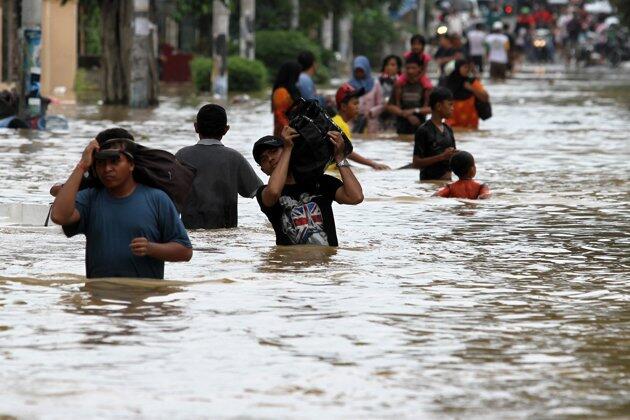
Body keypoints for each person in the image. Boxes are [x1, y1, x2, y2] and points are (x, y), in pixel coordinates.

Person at [50, 137, 193, 279]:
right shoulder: (90, 198)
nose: (107, 169)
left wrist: (152, 248)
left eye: (115, 161)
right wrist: (82, 166)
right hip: (98, 298)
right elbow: (59, 216)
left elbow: (185, 251)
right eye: (101, 163)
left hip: (144, 297)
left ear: (131, 165)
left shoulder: (157, 199)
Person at [253, 127, 364, 246]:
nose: (270, 159)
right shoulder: (263, 193)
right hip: (288, 263)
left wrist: (340, 157)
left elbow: (356, 197)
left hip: (324, 263)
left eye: (273, 151)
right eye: (264, 159)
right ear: (263, 170)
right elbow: (274, 191)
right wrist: (287, 149)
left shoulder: (320, 182)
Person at [175, 104, 262, 229]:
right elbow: (259, 192)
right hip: (226, 234)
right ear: (226, 129)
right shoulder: (234, 158)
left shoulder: (181, 156)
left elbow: (169, 196)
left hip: (189, 233)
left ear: (196, 127)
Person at [332, 83, 390, 170]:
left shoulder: (335, 121)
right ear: (344, 106)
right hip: (332, 170)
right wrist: (373, 164)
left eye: (358, 103)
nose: (358, 107)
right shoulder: (342, 126)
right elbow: (348, 152)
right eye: (355, 104)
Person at [412, 87, 457, 181]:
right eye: (450, 105)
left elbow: (452, 158)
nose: (453, 109)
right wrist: (442, 157)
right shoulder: (423, 130)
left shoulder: (448, 129)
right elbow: (416, 163)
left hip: (447, 183)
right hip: (429, 185)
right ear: (438, 106)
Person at [386, 54, 431, 135]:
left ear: (420, 69)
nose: (410, 71)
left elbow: (432, 108)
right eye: (408, 68)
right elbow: (390, 106)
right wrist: (406, 114)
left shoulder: (426, 87)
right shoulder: (399, 85)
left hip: (420, 127)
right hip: (401, 127)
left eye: (413, 68)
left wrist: (414, 111)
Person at [440, 59, 489, 130]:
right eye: (465, 67)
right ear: (458, 67)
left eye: (469, 68)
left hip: (471, 124)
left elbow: (485, 98)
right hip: (451, 123)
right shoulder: (448, 82)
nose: (467, 70)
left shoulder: (472, 82)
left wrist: (471, 89)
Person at [349, 55, 383, 134]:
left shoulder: (375, 84)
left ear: (366, 69)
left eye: (361, 70)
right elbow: (344, 104)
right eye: (357, 71)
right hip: (353, 123)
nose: (359, 73)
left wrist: (371, 112)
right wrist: (353, 112)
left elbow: (381, 104)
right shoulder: (349, 86)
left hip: (371, 123)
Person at [272, 61, 302, 137]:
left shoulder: (293, 90)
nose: (298, 77)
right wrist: (290, 130)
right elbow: (279, 115)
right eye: (297, 74)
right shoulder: (281, 92)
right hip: (284, 135)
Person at [378, 55, 402, 131]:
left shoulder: (402, 82)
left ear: (398, 68)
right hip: (380, 116)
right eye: (387, 65)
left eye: (392, 65)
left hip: (397, 116)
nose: (389, 67)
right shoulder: (378, 81)